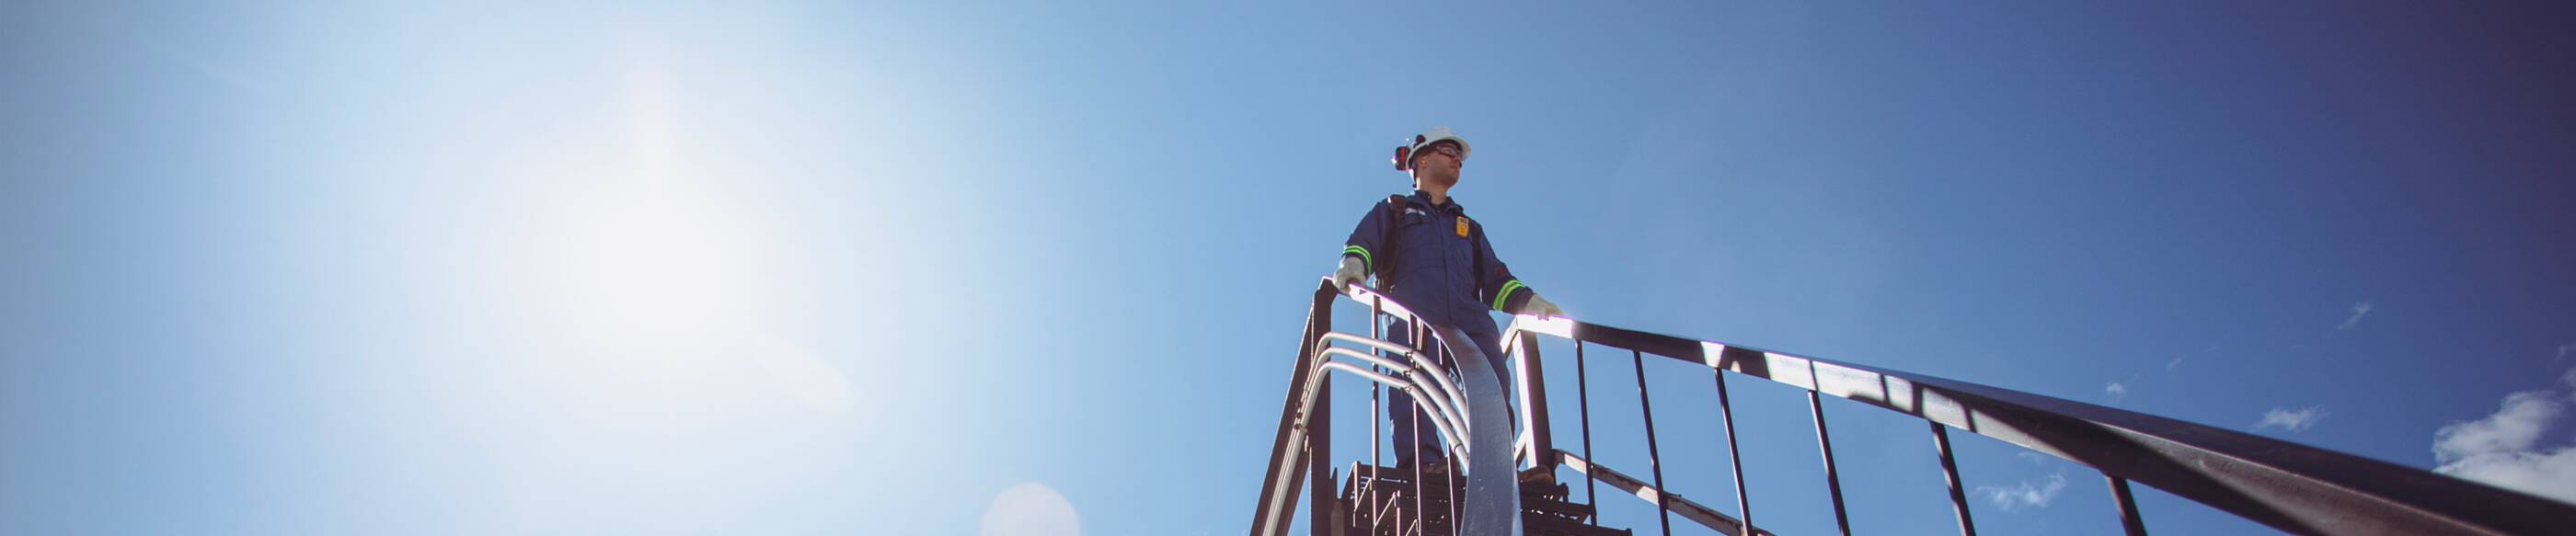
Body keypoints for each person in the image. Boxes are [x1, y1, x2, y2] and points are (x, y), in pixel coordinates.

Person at [1329, 126, 1564, 474]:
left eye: (1459, 156)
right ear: (1421, 160)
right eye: (1448, 152)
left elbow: (1495, 281)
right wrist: (1353, 265)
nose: (1457, 160)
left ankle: (1497, 470)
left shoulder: (1467, 226)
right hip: (1413, 312)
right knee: (1412, 386)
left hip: (1469, 318)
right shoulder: (1396, 211)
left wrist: (1532, 304)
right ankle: (1423, 465)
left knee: (1490, 391)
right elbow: (1365, 243)